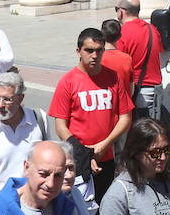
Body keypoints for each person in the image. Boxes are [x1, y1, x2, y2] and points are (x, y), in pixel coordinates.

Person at [49, 28, 133, 200]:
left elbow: (125, 118)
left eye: (99, 50)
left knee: (105, 209)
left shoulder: (113, 78)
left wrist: (105, 144)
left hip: (106, 157)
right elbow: (60, 127)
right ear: (78, 51)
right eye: (89, 50)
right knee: (77, 211)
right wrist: (84, 152)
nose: (94, 55)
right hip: (77, 159)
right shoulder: (68, 81)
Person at [0, 70, 46, 203]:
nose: (0, 105)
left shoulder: (39, 119)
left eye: (7, 99)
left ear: (21, 98)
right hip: (2, 204)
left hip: (36, 201)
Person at [113, 0, 165, 119]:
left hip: (137, 94)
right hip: (156, 92)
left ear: (122, 11)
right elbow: (159, 51)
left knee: (137, 135)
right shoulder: (152, 29)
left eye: (116, 9)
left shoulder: (122, 33)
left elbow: (119, 65)